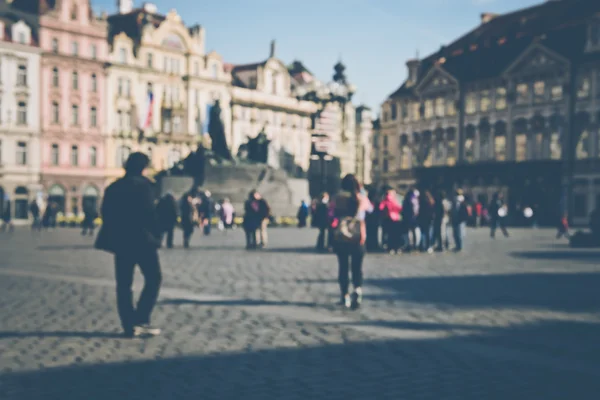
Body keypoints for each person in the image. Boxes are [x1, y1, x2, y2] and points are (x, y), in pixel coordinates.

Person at [94, 152, 162, 338]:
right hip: (142, 241)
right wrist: (157, 233)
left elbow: (105, 212)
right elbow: (150, 213)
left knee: (124, 284)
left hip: (121, 241)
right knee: (154, 278)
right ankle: (141, 318)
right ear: (142, 168)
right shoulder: (145, 186)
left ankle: (128, 324)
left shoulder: (114, 187)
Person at [330, 174, 372, 309]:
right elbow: (371, 209)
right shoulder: (361, 198)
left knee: (343, 267)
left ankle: (345, 296)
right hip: (358, 237)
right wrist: (363, 193)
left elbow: (330, 214)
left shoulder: (338, 198)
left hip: (342, 237)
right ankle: (357, 290)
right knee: (357, 267)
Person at [379, 188, 402, 254]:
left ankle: (391, 248)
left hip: (388, 219)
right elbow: (399, 208)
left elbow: (380, 208)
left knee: (390, 235)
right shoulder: (395, 200)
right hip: (395, 219)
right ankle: (396, 248)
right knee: (396, 235)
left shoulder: (385, 200)